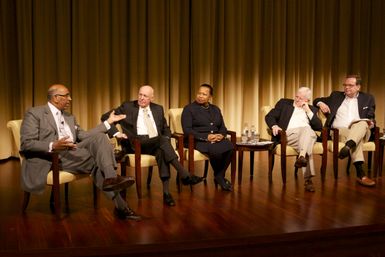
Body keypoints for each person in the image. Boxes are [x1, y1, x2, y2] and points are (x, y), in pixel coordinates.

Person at [20, 84, 141, 220]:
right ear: (55, 98)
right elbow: (26, 143)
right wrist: (53, 145)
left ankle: (110, 178)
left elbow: (83, 136)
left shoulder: (69, 117)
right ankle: (120, 204)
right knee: (98, 162)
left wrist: (108, 123)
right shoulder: (35, 113)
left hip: (74, 151)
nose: (70, 99)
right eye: (67, 96)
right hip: (53, 155)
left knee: (100, 137)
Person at [101, 85, 204, 207]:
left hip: (156, 143)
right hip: (136, 144)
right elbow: (104, 117)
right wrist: (116, 133)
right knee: (162, 142)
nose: (141, 98)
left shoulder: (158, 109)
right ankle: (185, 175)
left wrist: (166, 138)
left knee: (162, 151)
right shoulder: (128, 106)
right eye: (140, 94)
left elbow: (165, 129)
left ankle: (166, 193)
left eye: (145, 96)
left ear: (151, 98)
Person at [313, 74, 376, 187]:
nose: (347, 87)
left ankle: (347, 146)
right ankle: (360, 173)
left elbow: (371, 116)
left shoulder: (367, 98)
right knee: (356, 139)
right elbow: (316, 100)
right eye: (345, 85)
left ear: (358, 87)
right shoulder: (336, 96)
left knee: (361, 123)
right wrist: (321, 103)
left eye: (350, 85)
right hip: (339, 131)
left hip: (362, 130)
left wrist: (370, 123)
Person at [265, 87, 322, 192]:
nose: (297, 99)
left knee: (307, 133)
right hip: (288, 134)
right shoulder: (284, 103)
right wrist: (274, 126)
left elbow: (319, 127)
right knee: (308, 131)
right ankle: (308, 179)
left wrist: (308, 110)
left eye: (301, 98)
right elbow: (269, 116)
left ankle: (302, 157)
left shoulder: (312, 109)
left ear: (307, 100)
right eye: (296, 96)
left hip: (305, 136)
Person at [181, 84, 235, 191]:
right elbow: (187, 130)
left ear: (210, 96)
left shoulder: (215, 109)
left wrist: (221, 135)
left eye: (204, 94)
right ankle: (220, 177)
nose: (200, 96)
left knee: (230, 147)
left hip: (215, 138)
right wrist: (207, 137)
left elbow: (223, 127)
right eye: (199, 93)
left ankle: (219, 175)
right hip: (197, 140)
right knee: (215, 150)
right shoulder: (189, 109)